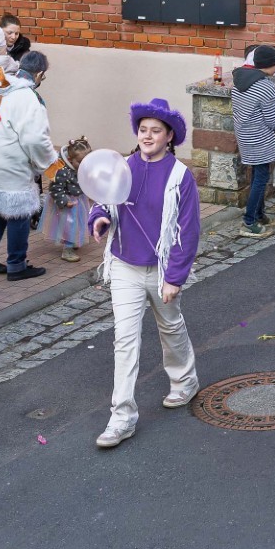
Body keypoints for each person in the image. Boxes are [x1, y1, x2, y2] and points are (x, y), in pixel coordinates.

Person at [88, 98, 201, 449]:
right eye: (142, 130)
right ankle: (121, 417)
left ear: (169, 136)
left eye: (155, 131)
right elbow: (102, 201)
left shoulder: (180, 176)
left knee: (170, 325)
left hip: (162, 268)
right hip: (125, 265)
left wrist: (175, 278)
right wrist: (99, 219)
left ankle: (184, 380)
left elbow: (188, 231)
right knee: (125, 340)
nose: (147, 136)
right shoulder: (122, 167)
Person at [0, 55, 59, 281]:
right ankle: (17, 264)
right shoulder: (28, 97)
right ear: (39, 74)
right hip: (7, 162)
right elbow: (35, 139)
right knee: (19, 210)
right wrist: (48, 163)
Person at [232, 45, 275, 239]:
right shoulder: (266, 86)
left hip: (245, 136)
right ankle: (249, 221)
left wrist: (273, 100)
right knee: (261, 178)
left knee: (258, 174)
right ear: (270, 65)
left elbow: (252, 103)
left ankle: (259, 215)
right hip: (260, 138)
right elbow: (273, 120)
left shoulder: (239, 81)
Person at [41, 137, 93, 262]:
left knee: (79, 223)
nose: (83, 164)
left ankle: (73, 241)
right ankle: (67, 250)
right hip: (67, 202)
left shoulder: (80, 167)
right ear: (70, 159)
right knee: (69, 225)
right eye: (80, 162)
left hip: (78, 200)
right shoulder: (62, 170)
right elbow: (55, 188)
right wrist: (64, 201)